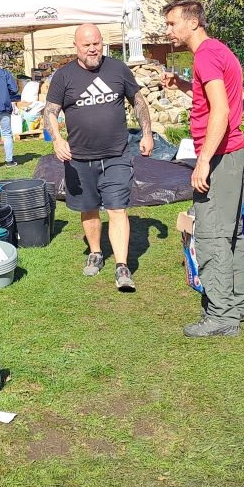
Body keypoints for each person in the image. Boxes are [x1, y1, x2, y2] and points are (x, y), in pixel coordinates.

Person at [43, 24, 154, 293]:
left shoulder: (118, 69)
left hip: (116, 154)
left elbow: (138, 101)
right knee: (89, 209)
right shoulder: (64, 76)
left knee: (117, 209)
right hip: (79, 158)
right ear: (76, 46)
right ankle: (95, 252)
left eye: (97, 44)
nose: (93, 49)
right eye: (87, 45)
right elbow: (50, 112)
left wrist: (147, 134)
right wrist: (58, 139)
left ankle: (122, 266)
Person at [162, 0, 244, 336]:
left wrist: (202, 162)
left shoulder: (205, 55)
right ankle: (239, 305)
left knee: (212, 234)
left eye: (172, 24)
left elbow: (221, 111)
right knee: (231, 232)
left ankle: (222, 317)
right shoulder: (217, 52)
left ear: (193, 22)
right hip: (231, 152)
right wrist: (185, 88)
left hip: (220, 155)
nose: (168, 30)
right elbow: (224, 96)